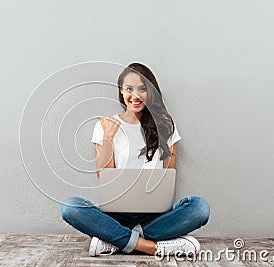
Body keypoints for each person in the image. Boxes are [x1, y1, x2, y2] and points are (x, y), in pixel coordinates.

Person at [61, 63, 210, 257]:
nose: (135, 95)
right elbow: (104, 176)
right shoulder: (106, 126)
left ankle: (115, 241)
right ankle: (152, 247)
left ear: (151, 92)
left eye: (142, 89)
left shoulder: (166, 127)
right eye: (129, 89)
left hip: (155, 215)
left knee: (200, 208)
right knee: (71, 207)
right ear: (121, 92)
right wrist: (108, 137)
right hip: (116, 215)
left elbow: (168, 177)